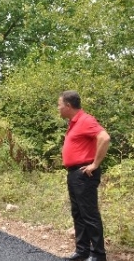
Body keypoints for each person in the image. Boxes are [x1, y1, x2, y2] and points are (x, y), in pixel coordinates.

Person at [58, 91, 110, 261]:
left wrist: (95, 164)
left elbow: (104, 137)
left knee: (89, 213)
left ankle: (98, 254)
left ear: (68, 105)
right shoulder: (74, 123)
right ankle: (82, 251)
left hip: (84, 173)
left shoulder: (85, 120)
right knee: (78, 213)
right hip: (74, 174)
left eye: (59, 104)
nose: (58, 108)